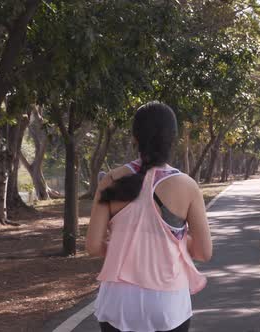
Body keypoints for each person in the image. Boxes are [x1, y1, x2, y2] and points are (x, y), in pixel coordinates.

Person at [86, 101, 212, 332]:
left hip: (118, 301)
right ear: (173, 139)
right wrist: (173, 241)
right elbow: (203, 252)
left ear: (135, 138)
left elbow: (93, 246)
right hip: (167, 303)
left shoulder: (110, 180)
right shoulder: (187, 186)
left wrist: (127, 250)